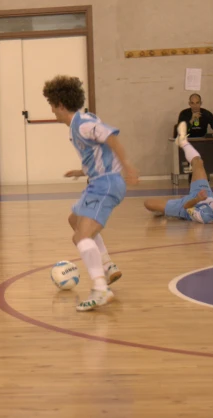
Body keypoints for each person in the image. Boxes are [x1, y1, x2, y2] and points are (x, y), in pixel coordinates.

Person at [43, 75, 138, 312]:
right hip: (97, 182)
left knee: (82, 237)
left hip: (106, 184)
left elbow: (110, 137)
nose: (52, 111)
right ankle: (106, 266)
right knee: (74, 221)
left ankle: (100, 288)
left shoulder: (84, 122)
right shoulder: (78, 124)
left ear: (60, 105)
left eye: (52, 106)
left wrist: (127, 167)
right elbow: (99, 151)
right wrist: (81, 170)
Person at [145, 122, 213, 224]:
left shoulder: (205, 216)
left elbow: (186, 206)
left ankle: (167, 211)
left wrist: (197, 199)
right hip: (205, 193)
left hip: (188, 205)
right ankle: (183, 141)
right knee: (198, 161)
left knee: (148, 203)